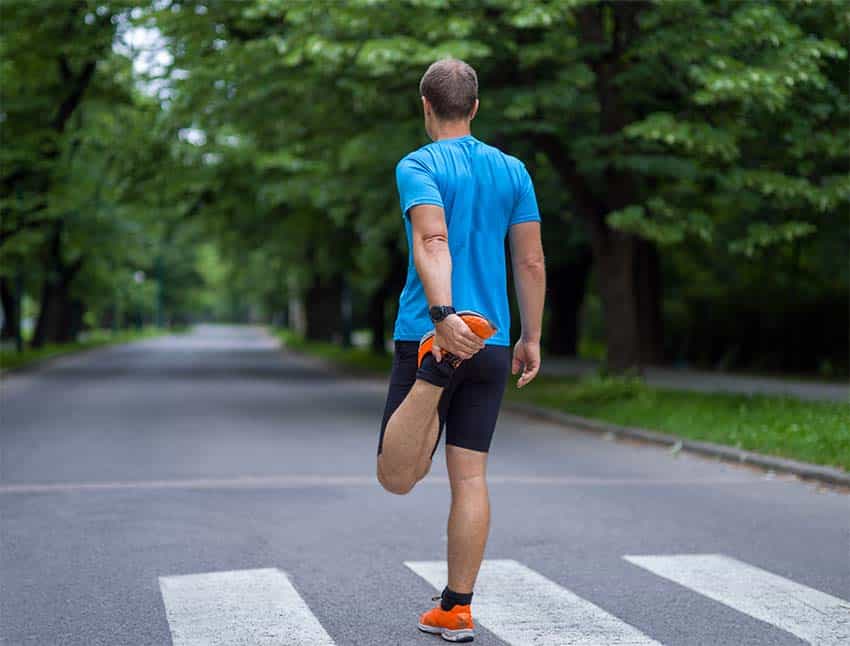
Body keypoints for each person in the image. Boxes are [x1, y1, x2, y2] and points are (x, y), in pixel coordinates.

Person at [376, 58, 546, 643]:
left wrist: (444, 320)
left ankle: (432, 376)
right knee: (469, 477)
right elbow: (530, 260)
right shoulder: (513, 170)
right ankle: (457, 609)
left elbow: (432, 238)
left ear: (425, 106)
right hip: (493, 339)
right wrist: (531, 336)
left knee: (398, 477)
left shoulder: (417, 164)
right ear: (474, 107)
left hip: (432, 335)